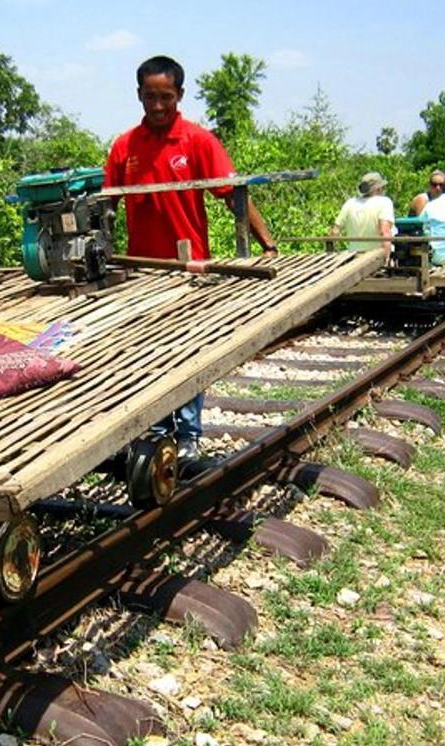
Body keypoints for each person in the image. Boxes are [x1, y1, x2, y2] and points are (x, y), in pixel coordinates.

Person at [105, 55, 278, 456]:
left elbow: (232, 194)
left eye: (166, 96)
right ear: (139, 96)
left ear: (180, 94)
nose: (159, 106)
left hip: (190, 269)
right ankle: (152, 428)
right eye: (151, 97)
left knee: (188, 350)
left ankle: (188, 434)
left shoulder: (198, 141)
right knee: (146, 352)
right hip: (140, 270)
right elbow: (106, 208)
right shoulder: (124, 147)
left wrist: (267, 243)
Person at [329, 171, 395, 259]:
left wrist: (331, 254)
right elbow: (385, 231)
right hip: (375, 258)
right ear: (378, 189)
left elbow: (335, 232)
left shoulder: (350, 203)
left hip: (354, 257)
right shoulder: (384, 202)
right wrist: (386, 259)